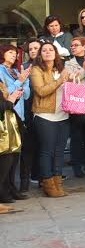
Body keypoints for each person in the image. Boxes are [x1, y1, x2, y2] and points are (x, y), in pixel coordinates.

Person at [32, 43, 72, 197]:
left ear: (56, 53)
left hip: (63, 114)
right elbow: (41, 91)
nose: (48, 52)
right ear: (40, 54)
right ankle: (47, 184)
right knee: (47, 151)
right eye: (44, 50)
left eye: (51, 50)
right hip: (44, 115)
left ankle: (58, 183)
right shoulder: (37, 70)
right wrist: (60, 81)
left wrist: (70, 80)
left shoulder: (61, 69)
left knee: (59, 151)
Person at [0, 45, 30, 200]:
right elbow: (6, 93)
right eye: (10, 52)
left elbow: (26, 95)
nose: (14, 55)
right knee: (7, 155)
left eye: (15, 53)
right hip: (5, 116)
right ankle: (5, 190)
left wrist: (24, 80)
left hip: (18, 115)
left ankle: (12, 188)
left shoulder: (17, 71)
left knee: (15, 154)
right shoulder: (1, 70)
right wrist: (19, 82)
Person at [65, 37, 85, 178]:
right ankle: (77, 166)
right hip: (76, 102)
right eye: (71, 45)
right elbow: (70, 79)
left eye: (76, 45)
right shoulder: (68, 64)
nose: (73, 47)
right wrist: (84, 69)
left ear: (84, 47)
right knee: (76, 136)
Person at [19, 39, 42, 193]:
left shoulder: (47, 65)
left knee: (43, 145)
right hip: (28, 110)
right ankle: (27, 177)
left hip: (44, 109)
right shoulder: (24, 67)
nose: (33, 51)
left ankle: (41, 174)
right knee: (29, 145)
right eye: (31, 48)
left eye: (36, 48)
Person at [0, 81, 24, 203]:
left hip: (10, 127)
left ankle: (10, 190)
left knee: (13, 160)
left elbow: (6, 105)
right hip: (2, 131)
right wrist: (10, 100)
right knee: (6, 161)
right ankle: (3, 193)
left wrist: (14, 99)